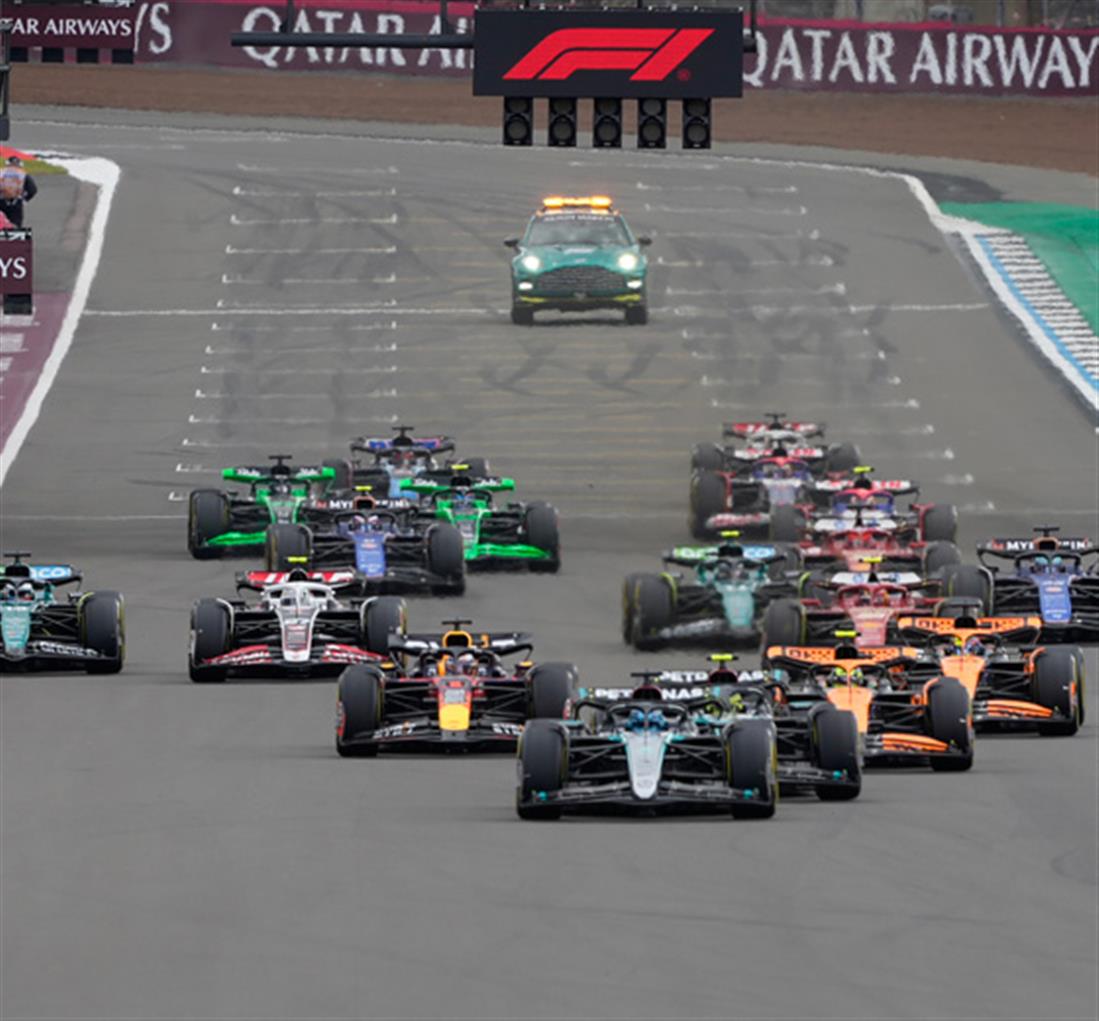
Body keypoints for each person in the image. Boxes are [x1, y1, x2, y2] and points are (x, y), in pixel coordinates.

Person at [0, 157, 38, 228]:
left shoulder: (1, 173)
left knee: (1, 224)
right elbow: (32, 189)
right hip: (17, 203)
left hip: (1, 202)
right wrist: (25, 200)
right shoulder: (23, 174)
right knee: (16, 226)